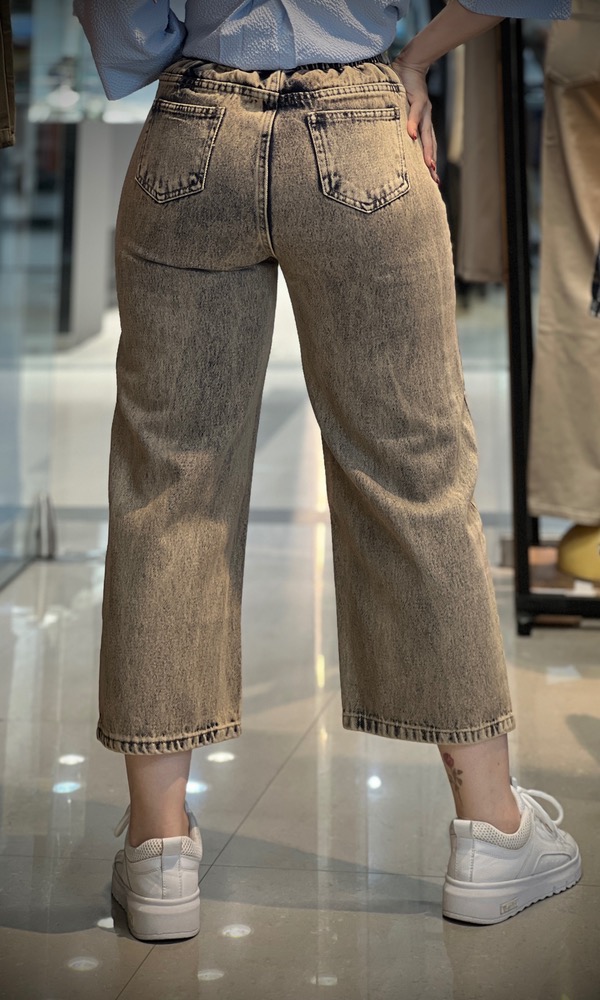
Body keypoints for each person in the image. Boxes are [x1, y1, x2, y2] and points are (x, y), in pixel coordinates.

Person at [74, 0, 581, 942]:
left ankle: (158, 848)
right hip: (360, 128)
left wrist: (174, 44)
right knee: (416, 482)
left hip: (192, 132)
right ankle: (491, 829)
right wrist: (417, 57)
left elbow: (122, 26)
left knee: (168, 488)